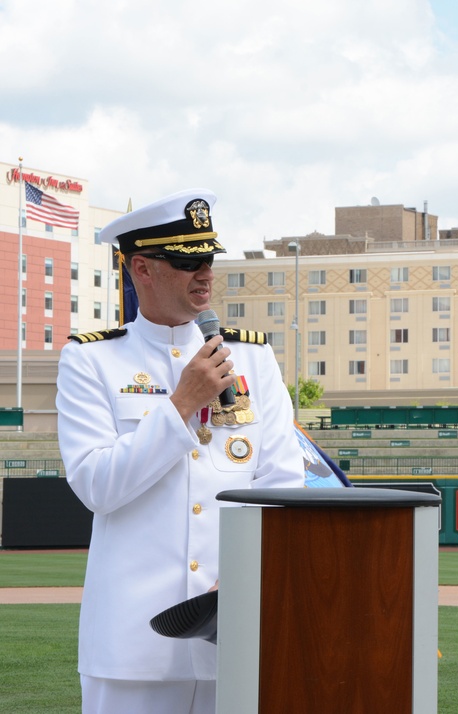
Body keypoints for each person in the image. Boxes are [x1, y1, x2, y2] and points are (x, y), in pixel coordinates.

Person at [56, 188, 305, 714]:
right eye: (186, 261)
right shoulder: (91, 360)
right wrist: (181, 406)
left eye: (208, 259)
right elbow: (97, 486)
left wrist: (247, 571)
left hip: (237, 629)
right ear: (141, 268)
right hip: (133, 646)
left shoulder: (252, 358)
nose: (205, 274)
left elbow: (282, 484)